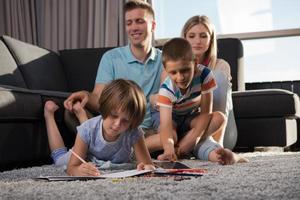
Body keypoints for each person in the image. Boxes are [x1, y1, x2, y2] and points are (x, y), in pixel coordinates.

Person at [64, 0, 165, 132]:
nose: (133, 27)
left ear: (153, 26)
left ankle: (117, 149)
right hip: (118, 129)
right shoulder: (111, 57)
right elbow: (99, 99)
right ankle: (123, 148)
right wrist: (86, 96)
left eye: (140, 21)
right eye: (129, 23)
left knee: (165, 133)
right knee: (70, 113)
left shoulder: (165, 59)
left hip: (151, 131)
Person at [145, 38, 247, 164]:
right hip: (169, 117)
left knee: (219, 118)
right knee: (172, 136)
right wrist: (169, 148)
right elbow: (166, 125)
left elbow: (205, 113)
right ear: (166, 70)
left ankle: (185, 147)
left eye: (185, 70)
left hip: (189, 115)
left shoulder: (205, 75)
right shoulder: (167, 89)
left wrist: (193, 138)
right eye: (173, 72)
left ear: (194, 62)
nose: (180, 77)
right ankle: (138, 148)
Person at [44, 79, 155, 176]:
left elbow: (148, 165)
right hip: (85, 150)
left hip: (93, 137)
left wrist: (147, 168)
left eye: (125, 121)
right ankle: (49, 115)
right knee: (59, 160)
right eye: (113, 116)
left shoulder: (133, 132)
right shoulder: (86, 130)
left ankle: (81, 114)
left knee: (91, 129)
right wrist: (78, 170)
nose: (117, 124)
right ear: (104, 109)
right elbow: (71, 168)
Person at [181, 15, 238, 149]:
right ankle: (188, 146)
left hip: (219, 127)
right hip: (191, 127)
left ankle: (216, 145)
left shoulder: (221, 65)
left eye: (203, 36)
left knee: (217, 76)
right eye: (192, 36)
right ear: (184, 39)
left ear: (211, 39)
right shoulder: (177, 68)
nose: (197, 41)